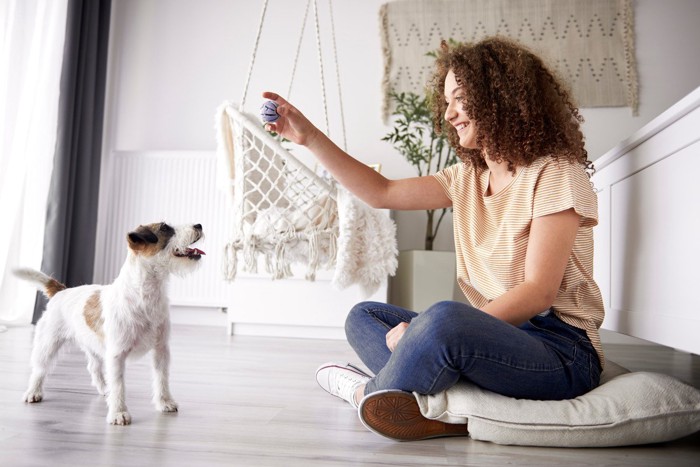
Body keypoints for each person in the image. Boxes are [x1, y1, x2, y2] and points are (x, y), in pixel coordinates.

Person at [262, 36, 604, 441]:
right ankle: (427, 390)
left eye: (460, 98)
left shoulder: (556, 173)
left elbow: (537, 293)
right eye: (447, 101)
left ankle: (367, 393)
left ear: (499, 97)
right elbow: (381, 192)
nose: (450, 112)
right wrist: (309, 138)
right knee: (365, 316)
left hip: (560, 352)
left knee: (443, 318)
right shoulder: (465, 179)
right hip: (494, 340)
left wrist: (428, 331)